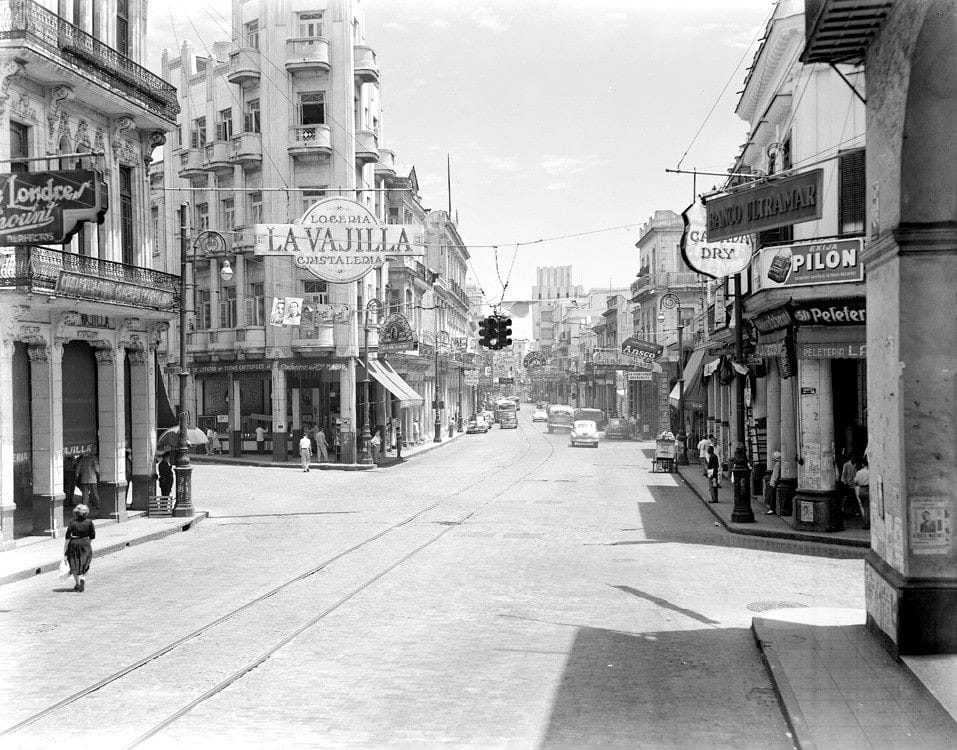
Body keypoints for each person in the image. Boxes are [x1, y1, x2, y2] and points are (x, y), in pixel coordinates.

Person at [63, 504, 94, 592]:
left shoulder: (72, 523)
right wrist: (87, 543)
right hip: (85, 543)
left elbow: (67, 537)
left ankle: (77, 583)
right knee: (85, 563)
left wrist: (65, 550)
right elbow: (92, 536)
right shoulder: (89, 522)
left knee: (73, 564)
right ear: (86, 513)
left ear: (76, 513)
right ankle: (83, 578)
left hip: (74, 544)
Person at [841, 453, 860, 518]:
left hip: (855, 485)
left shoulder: (856, 465)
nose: (854, 458)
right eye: (853, 457)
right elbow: (843, 475)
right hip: (848, 485)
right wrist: (845, 483)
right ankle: (846, 512)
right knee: (848, 499)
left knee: (855, 499)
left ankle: (855, 512)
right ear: (851, 457)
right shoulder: (846, 465)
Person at [854, 459, 871, 530]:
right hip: (868, 489)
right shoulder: (870, 471)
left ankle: (865, 522)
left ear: (862, 464)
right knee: (868, 508)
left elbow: (855, 481)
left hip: (861, 489)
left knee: (864, 507)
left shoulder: (859, 472)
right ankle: (866, 524)